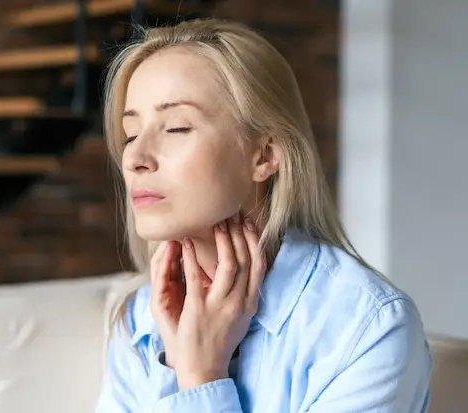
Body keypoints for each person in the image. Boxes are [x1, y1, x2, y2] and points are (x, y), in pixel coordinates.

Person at [95, 18, 432, 412]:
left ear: (265, 155)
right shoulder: (140, 320)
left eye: (177, 128)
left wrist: (201, 377)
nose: (134, 158)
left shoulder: (368, 328)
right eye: (131, 134)